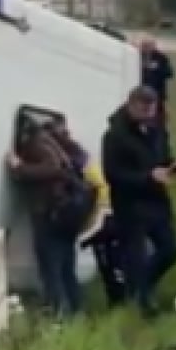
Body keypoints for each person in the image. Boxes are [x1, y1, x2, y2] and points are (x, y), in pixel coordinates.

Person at [101, 85, 176, 317]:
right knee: (135, 256)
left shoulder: (157, 130)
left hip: (158, 201)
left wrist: (175, 166)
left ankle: (142, 288)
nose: (149, 114)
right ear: (131, 105)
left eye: (152, 109)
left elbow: (164, 156)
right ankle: (139, 304)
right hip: (130, 204)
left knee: (170, 250)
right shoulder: (115, 136)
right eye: (144, 109)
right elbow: (112, 174)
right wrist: (148, 177)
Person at [6, 112, 90, 318]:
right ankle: (77, 313)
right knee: (66, 268)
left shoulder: (38, 143)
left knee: (51, 269)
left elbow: (51, 167)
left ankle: (58, 315)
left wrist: (20, 167)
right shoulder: (63, 146)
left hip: (49, 213)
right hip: (69, 214)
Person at [45, 116, 127, 306]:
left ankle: (66, 308)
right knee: (70, 266)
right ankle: (78, 307)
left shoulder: (67, 156)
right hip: (89, 213)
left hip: (83, 214)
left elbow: (95, 186)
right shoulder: (78, 152)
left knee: (60, 265)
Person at [139, 38, 175, 118]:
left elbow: (170, 74)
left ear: (153, 46)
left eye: (148, 46)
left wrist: (156, 68)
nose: (146, 48)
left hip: (157, 93)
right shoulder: (136, 56)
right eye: (144, 46)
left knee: (158, 117)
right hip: (140, 93)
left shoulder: (161, 58)